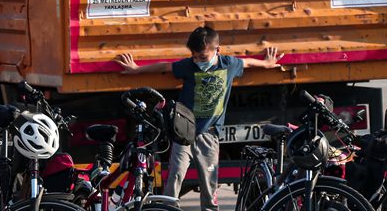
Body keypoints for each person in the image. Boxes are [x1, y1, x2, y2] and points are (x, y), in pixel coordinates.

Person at [115, 26, 283, 211]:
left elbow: (247, 63)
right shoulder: (189, 66)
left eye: (202, 57)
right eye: (194, 56)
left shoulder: (228, 64)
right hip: (183, 132)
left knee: (209, 183)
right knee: (175, 175)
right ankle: (168, 208)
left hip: (209, 135)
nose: (197, 61)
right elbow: (165, 66)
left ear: (217, 50)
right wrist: (137, 69)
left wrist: (266, 63)